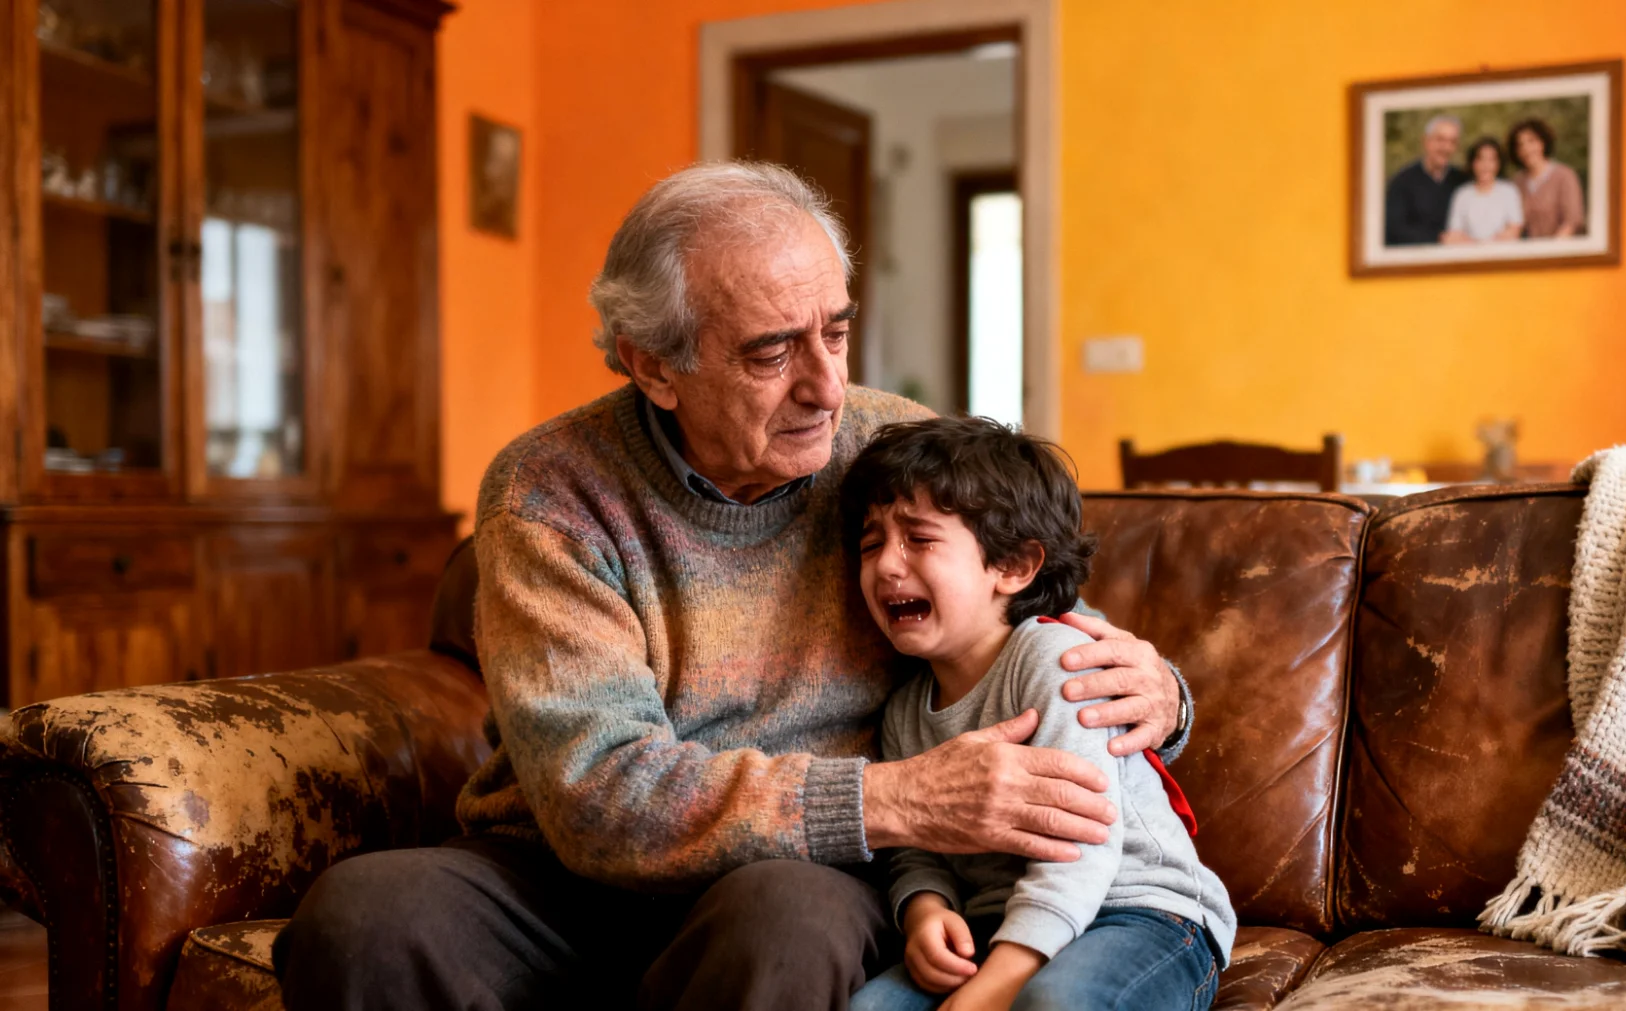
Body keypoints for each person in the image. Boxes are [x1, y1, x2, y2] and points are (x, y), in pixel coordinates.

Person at [272, 162, 1194, 1011]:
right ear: (652, 364)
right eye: (770, 353)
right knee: (363, 913)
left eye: (836, 331)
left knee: (783, 923)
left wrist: (1159, 692)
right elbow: (596, 794)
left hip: (804, 872)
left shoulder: (889, 445)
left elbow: (1022, 612)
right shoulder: (550, 489)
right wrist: (895, 796)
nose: (828, 388)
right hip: (566, 876)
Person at [842, 417, 1235, 1011]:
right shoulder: (903, 710)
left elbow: (1083, 846)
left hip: (1135, 912)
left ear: (1015, 567)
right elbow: (915, 842)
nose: (887, 566)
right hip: (995, 925)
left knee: (1054, 1003)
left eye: (919, 540)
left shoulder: (1056, 658)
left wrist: (994, 988)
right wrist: (926, 909)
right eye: (872, 545)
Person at [1383, 113, 1469, 245]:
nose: (1446, 148)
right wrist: (1439, 238)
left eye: (1452, 142)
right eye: (1440, 140)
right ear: (1426, 141)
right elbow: (1394, 230)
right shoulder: (1402, 182)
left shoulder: (1462, 180)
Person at [1508, 118, 1585, 238]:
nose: (1526, 149)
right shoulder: (1517, 182)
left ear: (1542, 142)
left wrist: (1553, 248)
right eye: (1520, 145)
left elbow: (1573, 220)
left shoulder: (1564, 175)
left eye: (1531, 141)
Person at [1442, 137, 1524, 244]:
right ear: (1473, 163)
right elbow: (1454, 233)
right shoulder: (1462, 194)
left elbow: (1514, 229)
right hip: (1470, 255)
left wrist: (1489, 246)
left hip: (1503, 254)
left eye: (1491, 160)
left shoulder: (1509, 191)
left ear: (1498, 164)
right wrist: (1476, 246)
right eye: (1480, 159)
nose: (1486, 165)